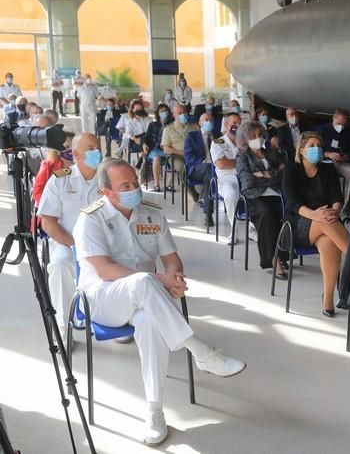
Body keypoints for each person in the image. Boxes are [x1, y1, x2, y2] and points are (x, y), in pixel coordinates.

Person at [73, 158, 246, 445]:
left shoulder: (151, 214)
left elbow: (170, 258)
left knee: (150, 322)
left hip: (145, 300)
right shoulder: (90, 218)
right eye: (125, 186)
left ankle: (155, 412)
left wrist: (174, 278)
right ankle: (201, 352)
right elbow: (104, 270)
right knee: (144, 280)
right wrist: (160, 280)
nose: (134, 189)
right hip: (102, 299)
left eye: (135, 183)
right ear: (107, 192)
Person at [36, 133, 102, 344]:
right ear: (75, 154)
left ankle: (116, 321)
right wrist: (75, 245)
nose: (97, 152)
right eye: (91, 148)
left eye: (98, 147)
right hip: (67, 241)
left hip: (105, 243)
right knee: (60, 263)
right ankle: (64, 331)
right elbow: (48, 222)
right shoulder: (60, 179)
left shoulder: (107, 176)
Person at [283, 131, 349, 316]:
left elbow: (337, 197)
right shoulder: (292, 170)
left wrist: (334, 211)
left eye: (319, 146)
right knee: (325, 222)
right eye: (312, 146)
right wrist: (316, 215)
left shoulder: (327, 170)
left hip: (328, 220)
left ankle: (328, 298)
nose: (317, 149)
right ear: (302, 150)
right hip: (298, 224)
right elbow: (292, 202)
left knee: (329, 243)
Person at [236, 121, 287, 277]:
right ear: (245, 139)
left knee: (286, 213)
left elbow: (284, 174)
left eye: (259, 135)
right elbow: (247, 181)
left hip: (276, 193)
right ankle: (273, 258)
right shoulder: (242, 156)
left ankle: (283, 253)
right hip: (254, 196)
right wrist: (271, 174)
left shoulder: (272, 153)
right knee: (267, 215)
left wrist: (263, 174)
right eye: (253, 136)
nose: (257, 139)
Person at [210, 113, 242, 245]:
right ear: (226, 125)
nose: (236, 126)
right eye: (233, 123)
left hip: (245, 177)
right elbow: (221, 164)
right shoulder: (218, 142)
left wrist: (232, 161)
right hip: (226, 179)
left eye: (239, 123)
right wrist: (241, 162)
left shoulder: (245, 141)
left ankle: (253, 228)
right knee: (231, 195)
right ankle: (234, 230)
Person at [184, 113, 216, 226]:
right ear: (200, 123)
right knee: (209, 169)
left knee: (209, 176)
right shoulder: (191, 136)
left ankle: (208, 214)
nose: (209, 122)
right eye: (206, 120)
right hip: (195, 169)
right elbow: (188, 157)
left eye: (211, 120)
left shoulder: (217, 137)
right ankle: (208, 204)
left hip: (214, 170)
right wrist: (203, 161)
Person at [316, 109, 350, 200]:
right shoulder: (322, 130)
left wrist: (346, 157)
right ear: (334, 118)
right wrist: (327, 154)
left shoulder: (348, 132)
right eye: (339, 123)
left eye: (343, 124)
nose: (341, 126)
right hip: (323, 161)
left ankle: (347, 202)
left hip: (340, 162)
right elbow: (313, 149)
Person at [161, 104, 199, 190]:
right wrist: (182, 153)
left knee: (206, 168)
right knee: (183, 168)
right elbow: (166, 149)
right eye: (179, 113)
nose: (183, 115)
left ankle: (205, 193)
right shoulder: (168, 129)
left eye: (184, 112)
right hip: (176, 156)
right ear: (174, 115)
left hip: (194, 155)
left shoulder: (195, 127)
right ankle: (193, 192)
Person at [115, 100, 152, 184]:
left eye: (141, 108)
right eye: (137, 108)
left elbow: (150, 131)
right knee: (141, 139)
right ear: (132, 109)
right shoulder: (130, 121)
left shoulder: (148, 119)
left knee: (144, 138)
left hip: (147, 140)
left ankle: (141, 156)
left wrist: (143, 140)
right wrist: (135, 139)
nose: (139, 110)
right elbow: (128, 133)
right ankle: (142, 161)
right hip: (136, 140)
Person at [142, 104, 172, 192]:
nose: (164, 113)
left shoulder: (172, 124)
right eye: (162, 111)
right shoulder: (153, 125)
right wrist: (144, 144)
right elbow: (146, 137)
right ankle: (157, 184)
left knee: (173, 157)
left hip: (168, 149)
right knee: (157, 157)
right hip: (154, 150)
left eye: (166, 111)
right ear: (158, 113)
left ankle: (169, 185)